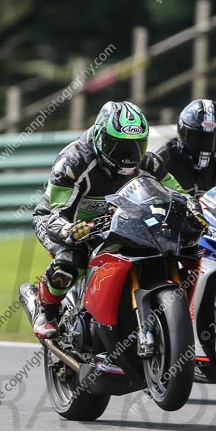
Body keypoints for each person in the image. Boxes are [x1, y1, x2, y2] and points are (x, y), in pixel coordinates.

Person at [31, 101, 185, 339]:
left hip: (115, 219)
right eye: (118, 147)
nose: (128, 156)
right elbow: (56, 212)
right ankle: (47, 310)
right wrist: (69, 231)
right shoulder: (73, 162)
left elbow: (179, 196)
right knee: (71, 262)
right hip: (66, 220)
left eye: (136, 146)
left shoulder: (148, 162)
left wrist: (192, 209)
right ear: (100, 138)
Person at [150, 99, 216, 195]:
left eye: (213, 139)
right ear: (182, 132)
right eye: (199, 138)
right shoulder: (160, 159)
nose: (206, 145)